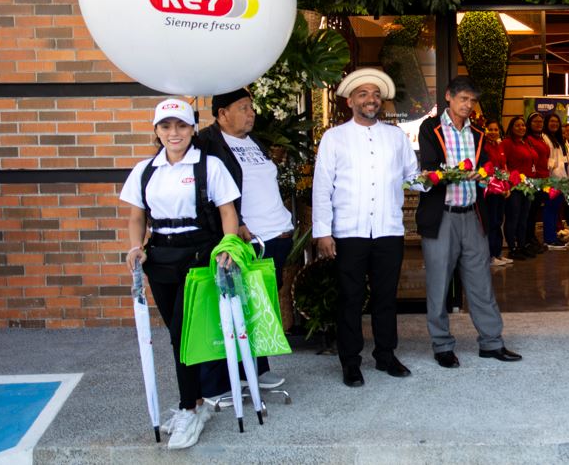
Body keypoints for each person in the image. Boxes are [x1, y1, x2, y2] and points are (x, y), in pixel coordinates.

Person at [121, 98, 240, 449]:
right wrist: (135, 246)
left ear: (192, 128)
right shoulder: (146, 169)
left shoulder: (210, 166)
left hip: (199, 254)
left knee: (182, 333)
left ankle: (190, 406)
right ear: (156, 131)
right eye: (166, 127)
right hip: (159, 258)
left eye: (181, 126)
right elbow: (136, 216)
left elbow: (227, 212)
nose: (174, 133)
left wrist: (228, 246)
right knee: (177, 332)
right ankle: (198, 401)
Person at [312, 68, 419, 388]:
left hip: (387, 229)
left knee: (386, 297)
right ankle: (350, 361)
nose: (371, 100)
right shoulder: (334, 138)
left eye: (375, 94)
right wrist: (323, 231)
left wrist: (442, 179)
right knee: (350, 297)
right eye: (363, 94)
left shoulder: (396, 136)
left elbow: (413, 177)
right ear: (350, 101)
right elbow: (322, 187)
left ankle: (386, 354)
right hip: (348, 231)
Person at [417, 76, 522, 368]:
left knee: (481, 282)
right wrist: (464, 173)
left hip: (472, 214)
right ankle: (441, 345)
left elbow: (487, 164)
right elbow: (429, 167)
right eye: (463, 99)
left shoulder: (476, 132)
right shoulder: (430, 128)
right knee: (438, 284)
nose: (468, 105)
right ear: (449, 97)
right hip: (442, 217)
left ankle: (491, 342)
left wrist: (486, 173)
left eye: (472, 100)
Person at [197, 88, 292, 400]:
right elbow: (207, 194)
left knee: (258, 306)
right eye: (243, 108)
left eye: (252, 107)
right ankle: (226, 378)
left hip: (274, 236)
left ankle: (256, 367)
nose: (251, 113)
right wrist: (235, 224)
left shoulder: (253, 141)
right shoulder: (209, 143)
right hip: (247, 240)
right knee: (236, 306)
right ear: (222, 113)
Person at [501, 116, 538, 261]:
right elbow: (503, 165)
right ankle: (513, 247)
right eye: (517, 125)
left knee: (524, 218)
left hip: (528, 186)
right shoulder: (507, 143)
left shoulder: (526, 142)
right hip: (514, 187)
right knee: (513, 217)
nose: (521, 128)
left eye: (523, 125)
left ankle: (522, 245)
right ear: (511, 127)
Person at [482, 118, 513, 266]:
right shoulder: (484, 147)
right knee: (492, 222)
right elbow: (487, 171)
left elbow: (503, 168)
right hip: (490, 192)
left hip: (501, 190)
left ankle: (498, 253)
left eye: (496, 130)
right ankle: (490, 255)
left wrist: (506, 187)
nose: (493, 132)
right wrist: (497, 187)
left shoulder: (499, 147)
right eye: (490, 129)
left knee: (499, 221)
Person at [541, 112, 569, 250]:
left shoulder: (557, 139)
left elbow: (563, 162)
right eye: (551, 121)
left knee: (555, 209)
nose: (554, 124)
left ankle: (552, 236)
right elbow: (549, 162)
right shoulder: (544, 138)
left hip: (561, 180)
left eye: (557, 122)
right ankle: (549, 239)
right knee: (550, 209)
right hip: (552, 181)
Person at [524, 112, 550, 254]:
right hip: (534, 179)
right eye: (535, 121)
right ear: (530, 123)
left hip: (544, 178)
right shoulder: (528, 139)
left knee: (534, 211)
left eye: (541, 121)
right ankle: (528, 239)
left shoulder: (541, 139)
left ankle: (532, 237)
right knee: (530, 212)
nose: (539, 123)